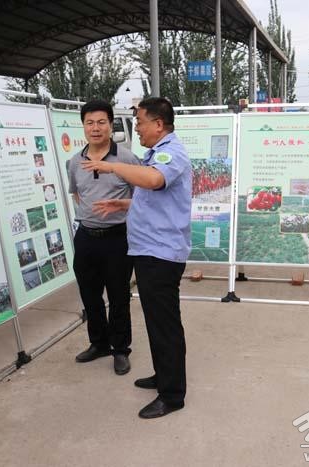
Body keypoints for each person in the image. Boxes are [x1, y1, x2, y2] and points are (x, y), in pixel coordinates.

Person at [82, 97, 191, 419]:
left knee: (165, 324)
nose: (137, 129)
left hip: (161, 253)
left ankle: (172, 395)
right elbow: (157, 197)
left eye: (140, 122)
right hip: (149, 250)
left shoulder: (171, 153)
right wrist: (124, 205)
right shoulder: (156, 153)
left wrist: (112, 166)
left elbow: (154, 180)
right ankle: (164, 375)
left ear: (158, 124)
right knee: (157, 322)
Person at [68, 100, 139, 375]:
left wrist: (118, 208)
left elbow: (143, 197)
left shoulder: (127, 159)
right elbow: (77, 194)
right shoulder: (75, 161)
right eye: (90, 123)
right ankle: (99, 343)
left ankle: (120, 349)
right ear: (83, 126)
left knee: (119, 296)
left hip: (117, 238)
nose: (95, 128)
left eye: (101, 122)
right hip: (86, 236)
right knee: (90, 294)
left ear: (111, 125)